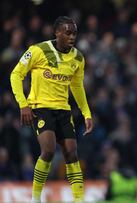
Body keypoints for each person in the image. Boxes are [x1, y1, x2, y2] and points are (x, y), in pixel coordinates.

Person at [10, 16, 93, 203]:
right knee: (48, 150)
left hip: (63, 110)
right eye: (68, 33)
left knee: (72, 153)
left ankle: (78, 200)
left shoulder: (78, 58)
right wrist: (23, 104)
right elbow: (16, 75)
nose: (72, 37)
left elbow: (77, 87)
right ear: (57, 33)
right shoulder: (37, 50)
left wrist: (86, 113)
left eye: (74, 33)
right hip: (41, 108)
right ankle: (35, 198)